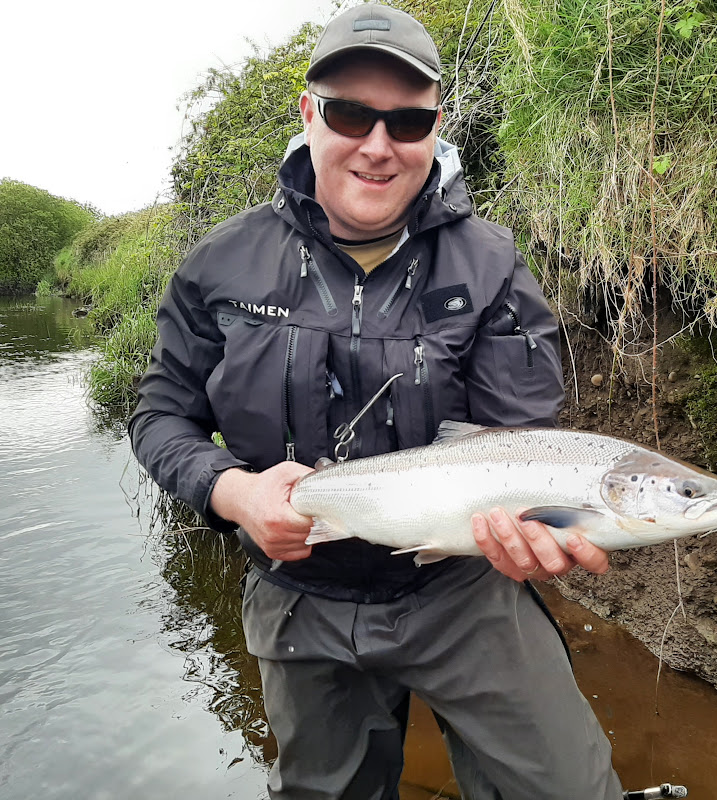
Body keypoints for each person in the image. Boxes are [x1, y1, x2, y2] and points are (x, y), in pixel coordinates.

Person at [129, 4, 624, 798]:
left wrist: (533, 529)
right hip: (299, 598)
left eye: (407, 120)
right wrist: (233, 491)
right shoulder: (220, 264)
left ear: (435, 127)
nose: (378, 144)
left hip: (463, 591)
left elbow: (519, 439)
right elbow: (160, 416)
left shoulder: (492, 263)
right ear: (307, 114)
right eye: (351, 113)